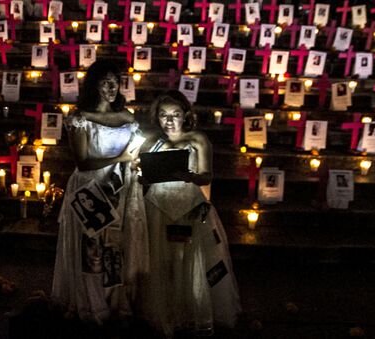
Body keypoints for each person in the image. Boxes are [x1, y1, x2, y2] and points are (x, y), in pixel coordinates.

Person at [52, 60, 149, 324]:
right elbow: (82, 162)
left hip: (122, 186)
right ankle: (92, 303)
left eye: (116, 81)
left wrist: (133, 161)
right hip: (91, 187)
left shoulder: (127, 117)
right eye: (105, 81)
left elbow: (134, 153)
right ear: (94, 84)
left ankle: (116, 300)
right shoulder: (79, 118)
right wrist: (121, 158)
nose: (112, 87)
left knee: (116, 246)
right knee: (92, 248)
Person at [141, 90, 241, 338]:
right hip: (159, 206)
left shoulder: (197, 139)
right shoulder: (156, 142)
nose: (169, 121)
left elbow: (207, 176)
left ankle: (192, 311)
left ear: (185, 115)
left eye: (175, 114)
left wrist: (190, 177)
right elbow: (145, 171)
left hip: (188, 207)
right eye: (164, 115)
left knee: (190, 261)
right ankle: (167, 312)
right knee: (163, 262)